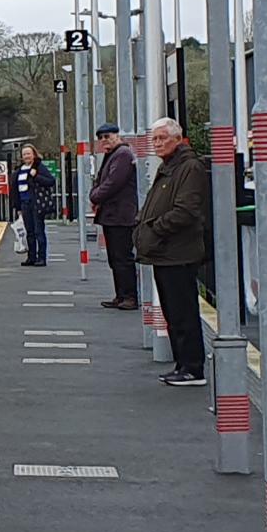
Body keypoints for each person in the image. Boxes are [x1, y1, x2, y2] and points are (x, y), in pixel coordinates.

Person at [136, 117, 211, 386]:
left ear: (177, 139)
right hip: (167, 252)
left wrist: (155, 228)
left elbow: (187, 210)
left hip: (178, 252)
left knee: (183, 312)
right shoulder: (170, 167)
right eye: (154, 139)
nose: (157, 144)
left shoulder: (188, 167)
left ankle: (192, 367)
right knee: (174, 312)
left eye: (162, 138)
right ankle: (184, 365)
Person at [88, 123, 138, 309]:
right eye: (101, 138)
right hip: (113, 214)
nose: (104, 141)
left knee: (122, 257)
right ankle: (121, 294)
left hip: (121, 215)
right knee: (115, 258)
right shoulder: (114, 155)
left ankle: (129, 296)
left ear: (117, 136)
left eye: (107, 137)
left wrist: (95, 195)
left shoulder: (122, 155)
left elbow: (112, 183)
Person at [11, 143, 56, 266]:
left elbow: (51, 181)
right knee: (29, 231)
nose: (26, 156)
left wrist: (36, 176)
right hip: (24, 204)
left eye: (28, 154)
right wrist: (18, 207)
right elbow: (15, 190)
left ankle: (41, 257)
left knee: (38, 231)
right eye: (24, 154)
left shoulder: (39, 167)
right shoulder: (18, 171)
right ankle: (31, 257)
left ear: (34, 154)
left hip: (36, 203)